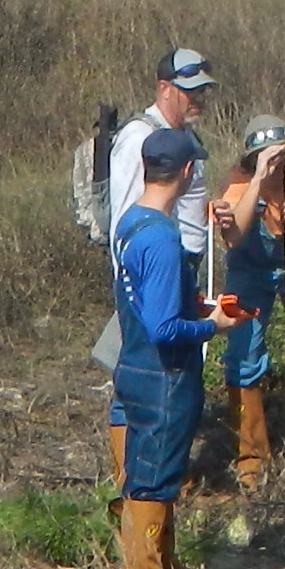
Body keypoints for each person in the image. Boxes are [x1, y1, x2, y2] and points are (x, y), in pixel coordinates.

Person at [110, 125, 214, 569]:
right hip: (165, 379)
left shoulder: (130, 222)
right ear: (188, 172)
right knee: (152, 489)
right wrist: (212, 324)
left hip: (131, 368)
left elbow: (146, 304)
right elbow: (165, 325)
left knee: (145, 483)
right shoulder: (164, 239)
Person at [101, 48, 215, 493]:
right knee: (143, 373)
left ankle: (151, 480)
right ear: (163, 88)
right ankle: (133, 481)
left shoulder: (181, 137)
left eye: (202, 90)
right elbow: (129, 214)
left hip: (177, 264)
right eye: (188, 91)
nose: (197, 99)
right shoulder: (139, 138)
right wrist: (132, 287)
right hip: (151, 271)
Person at [206, 116, 285, 482]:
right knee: (243, 352)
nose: (273, 163)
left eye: (279, 156)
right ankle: (252, 456)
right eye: (263, 157)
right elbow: (233, 237)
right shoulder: (238, 180)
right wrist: (258, 181)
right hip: (252, 267)